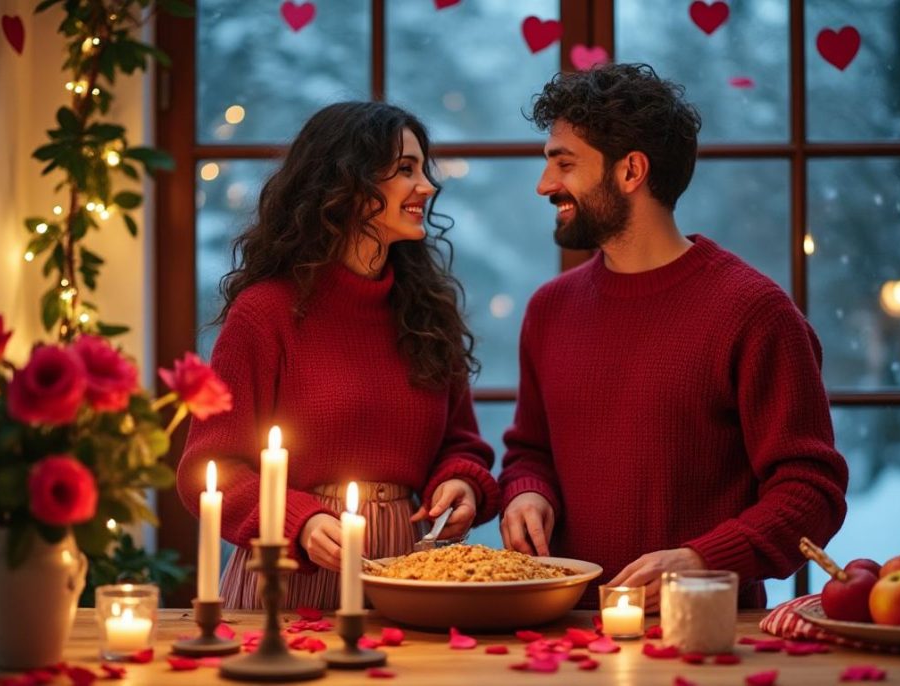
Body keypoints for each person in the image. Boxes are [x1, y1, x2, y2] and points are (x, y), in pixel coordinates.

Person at [498, 64, 849, 610]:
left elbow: (811, 492)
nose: (545, 185)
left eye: (564, 164)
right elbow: (530, 452)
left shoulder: (755, 311)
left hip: (713, 637)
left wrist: (704, 560)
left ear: (631, 170)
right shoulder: (549, 309)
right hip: (564, 634)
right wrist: (527, 494)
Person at [178, 101, 500, 610]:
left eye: (423, 169)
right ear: (347, 185)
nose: (427, 187)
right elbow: (210, 468)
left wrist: (460, 482)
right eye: (404, 170)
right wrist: (296, 521)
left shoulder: (426, 314)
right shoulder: (264, 314)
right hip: (289, 569)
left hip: (401, 570)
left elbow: (460, 442)